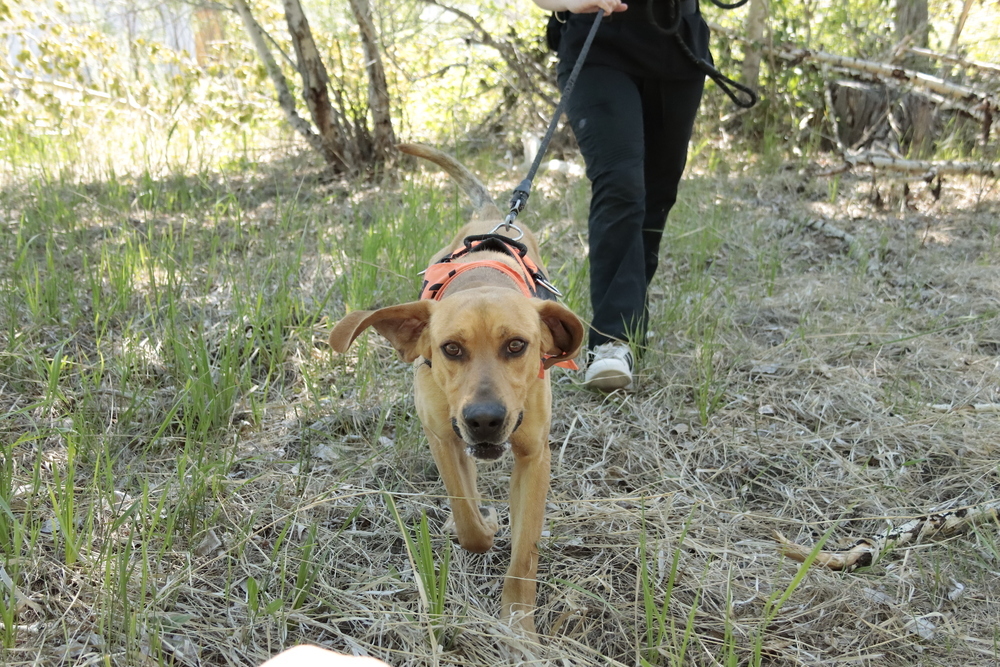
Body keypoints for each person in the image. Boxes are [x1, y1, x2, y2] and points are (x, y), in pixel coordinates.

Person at [530, 0, 711, 390]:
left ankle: (630, 327)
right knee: (621, 183)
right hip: (597, 44)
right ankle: (610, 342)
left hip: (677, 46)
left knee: (657, 192)